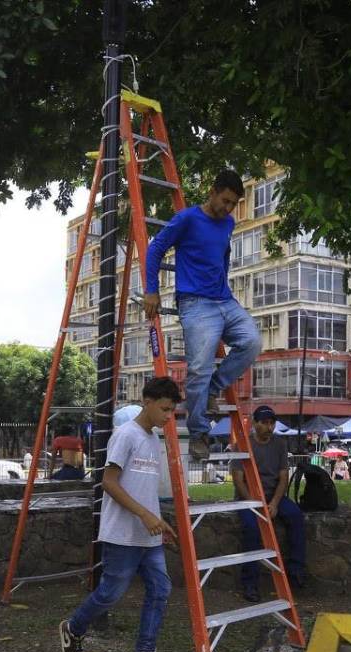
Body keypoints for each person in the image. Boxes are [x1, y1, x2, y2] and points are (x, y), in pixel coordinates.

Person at [58, 377, 184, 652]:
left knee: (160, 589)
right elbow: (109, 483)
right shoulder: (126, 435)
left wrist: (158, 519)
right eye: (165, 409)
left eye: (172, 412)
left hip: (149, 534)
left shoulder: (154, 439)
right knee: (110, 593)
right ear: (148, 402)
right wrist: (144, 515)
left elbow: (143, 488)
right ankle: (73, 629)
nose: (168, 417)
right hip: (122, 534)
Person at [144, 170, 258, 462]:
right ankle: (198, 433)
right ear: (213, 191)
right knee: (198, 368)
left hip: (224, 300)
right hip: (195, 303)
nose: (228, 208)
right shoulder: (187, 219)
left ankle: (213, 389)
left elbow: (223, 256)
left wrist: (224, 284)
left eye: (233, 204)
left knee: (252, 342)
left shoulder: (228, 223)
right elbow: (155, 248)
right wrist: (151, 291)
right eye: (225, 201)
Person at [231, 406, 307, 602]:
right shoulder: (243, 445)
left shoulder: (280, 444)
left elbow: (283, 477)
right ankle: (250, 583)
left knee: (296, 517)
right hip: (249, 498)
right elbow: (238, 479)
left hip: (274, 496)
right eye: (264, 423)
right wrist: (253, 503)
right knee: (252, 529)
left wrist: (273, 502)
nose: (269, 427)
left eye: (271, 423)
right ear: (255, 424)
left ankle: (296, 569)